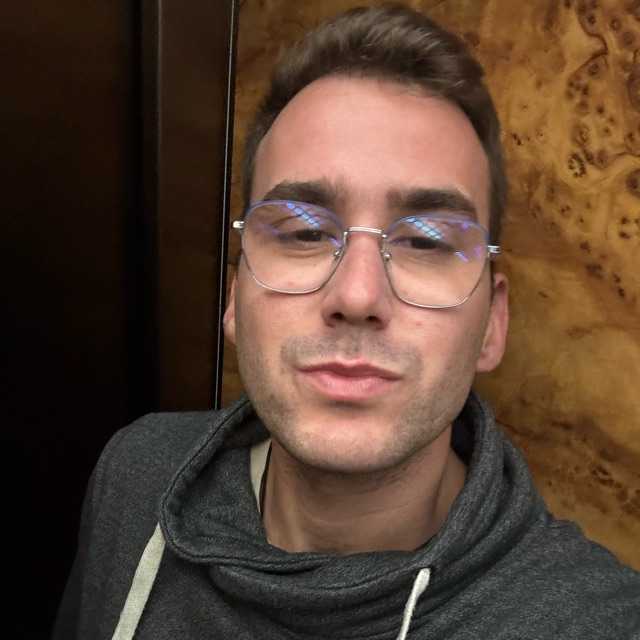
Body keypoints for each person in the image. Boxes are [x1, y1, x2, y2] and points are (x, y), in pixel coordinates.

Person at [53, 4, 640, 639]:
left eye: (426, 241)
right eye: (304, 231)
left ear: (493, 324)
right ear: (235, 296)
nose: (357, 295)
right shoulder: (135, 472)